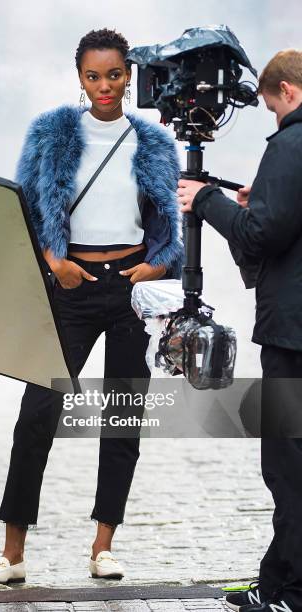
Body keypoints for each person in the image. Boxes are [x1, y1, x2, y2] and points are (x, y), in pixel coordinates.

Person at [0, 28, 183, 585]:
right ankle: (12, 554)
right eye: (94, 76)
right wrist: (53, 261)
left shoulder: (156, 142)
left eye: (114, 74)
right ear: (80, 78)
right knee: (37, 414)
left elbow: (170, 221)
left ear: (129, 75)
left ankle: (103, 544)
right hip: (69, 283)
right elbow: (25, 205)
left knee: (122, 417)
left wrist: (159, 266)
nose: (105, 86)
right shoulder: (51, 132)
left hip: (131, 288)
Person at [177, 49, 302, 612]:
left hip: (294, 336)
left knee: (288, 466)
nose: (273, 116)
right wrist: (258, 205)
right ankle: (275, 583)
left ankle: (292, 594)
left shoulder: (290, 143)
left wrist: (204, 200)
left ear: (288, 93)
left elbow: (257, 240)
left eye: (272, 106)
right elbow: (281, 220)